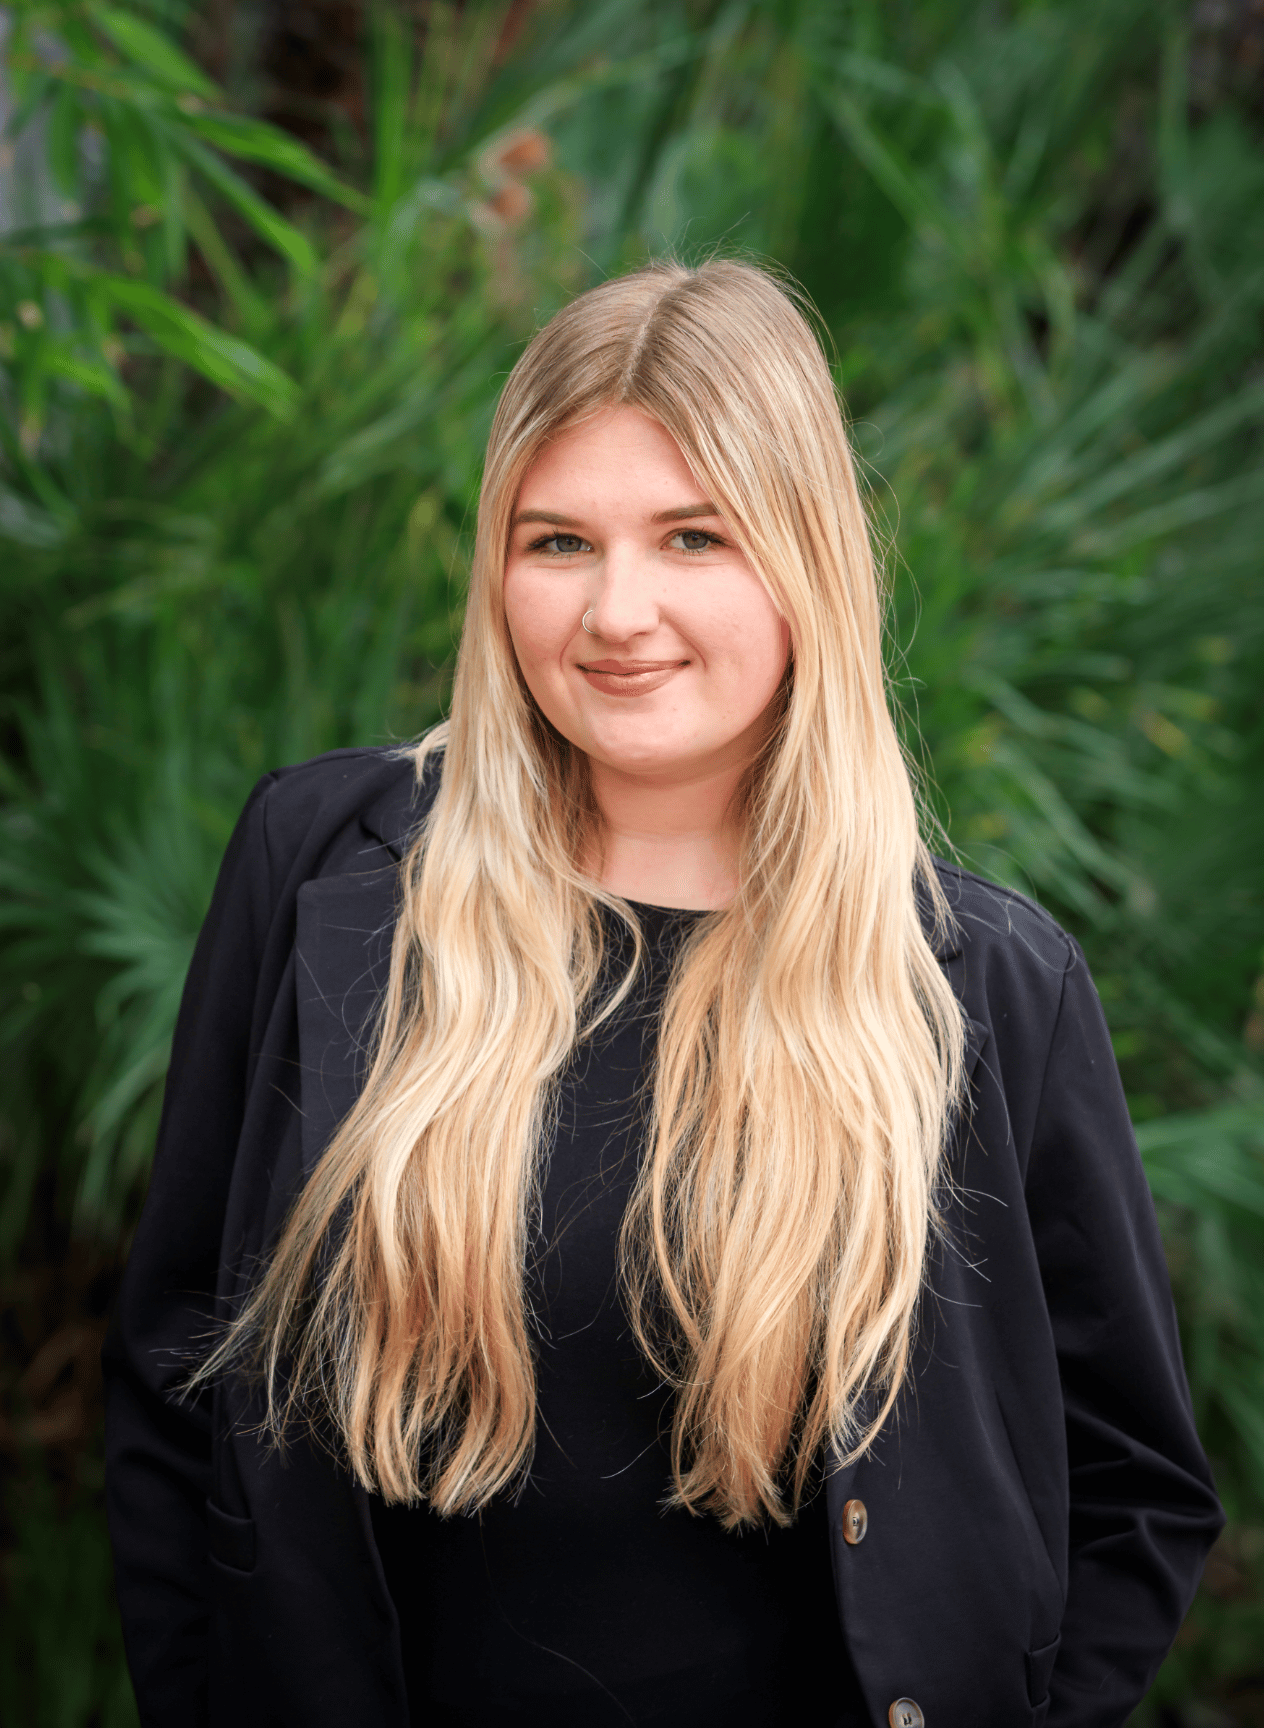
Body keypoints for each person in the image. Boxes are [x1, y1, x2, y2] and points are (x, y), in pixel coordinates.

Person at [103, 259, 1222, 1728]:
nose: (616, 611)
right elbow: (178, 1377)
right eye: (558, 539)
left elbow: (1133, 1488)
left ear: (804, 557)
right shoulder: (325, 872)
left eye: (692, 537)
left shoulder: (982, 988)